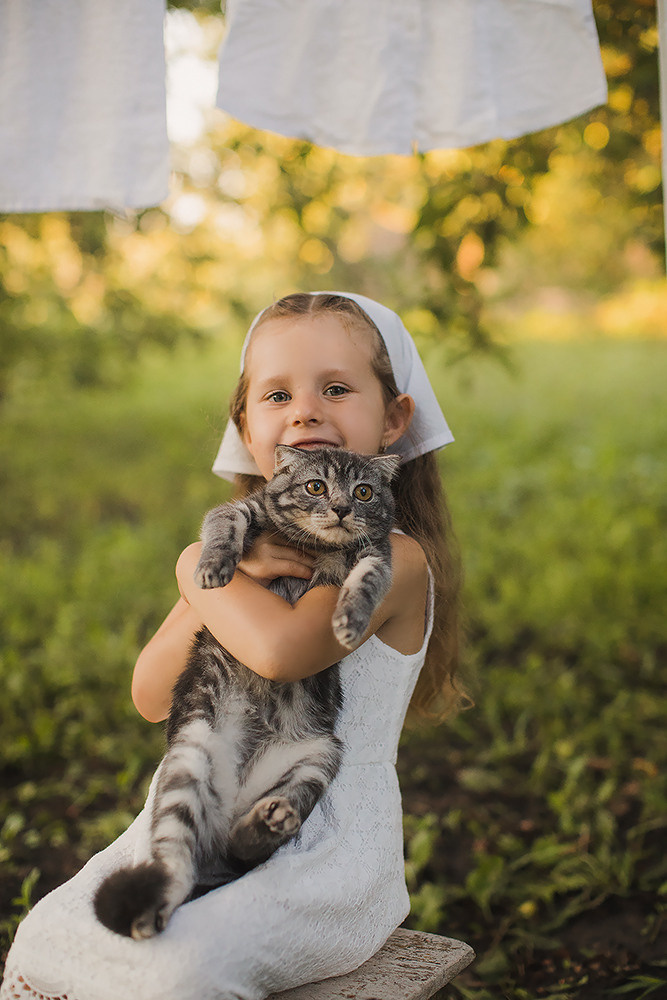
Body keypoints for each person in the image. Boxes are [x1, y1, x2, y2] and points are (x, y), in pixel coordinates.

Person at [0, 291, 463, 1000]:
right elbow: (151, 695)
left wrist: (194, 564)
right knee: (48, 936)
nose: (305, 411)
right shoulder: (239, 559)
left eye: (335, 389)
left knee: (178, 968)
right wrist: (223, 571)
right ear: (248, 429)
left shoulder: (392, 560)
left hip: (322, 843)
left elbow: (281, 652)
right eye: (277, 395)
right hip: (193, 806)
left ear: (394, 419)